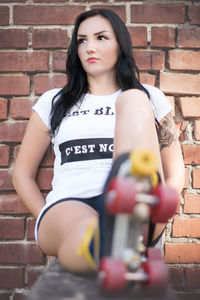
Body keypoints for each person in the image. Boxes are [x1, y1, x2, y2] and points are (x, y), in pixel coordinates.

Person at [13, 9, 184, 274]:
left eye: (101, 38)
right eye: (82, 41)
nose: (89, 47)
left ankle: (121, 228)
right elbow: (22, 174)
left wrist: (160, 214)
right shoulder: (54, 101)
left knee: (134, 99)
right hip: (71, 204)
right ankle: (114, 250)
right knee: (87, 233)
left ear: (120, 45)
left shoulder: (150, 96)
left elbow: (175, 172)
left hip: (137, 205)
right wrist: (46, 215)